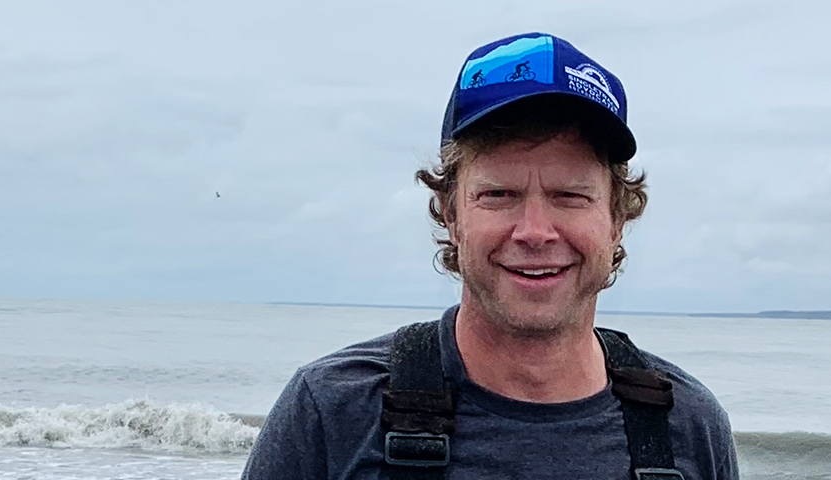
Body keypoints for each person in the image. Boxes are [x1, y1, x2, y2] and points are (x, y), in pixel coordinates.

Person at [241, 32, 738, 480]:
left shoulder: (688, 426)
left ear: (616, 217)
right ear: (451, 214)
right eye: (499, 194)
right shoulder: (332, 411)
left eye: (571, 195)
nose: (535, 232)